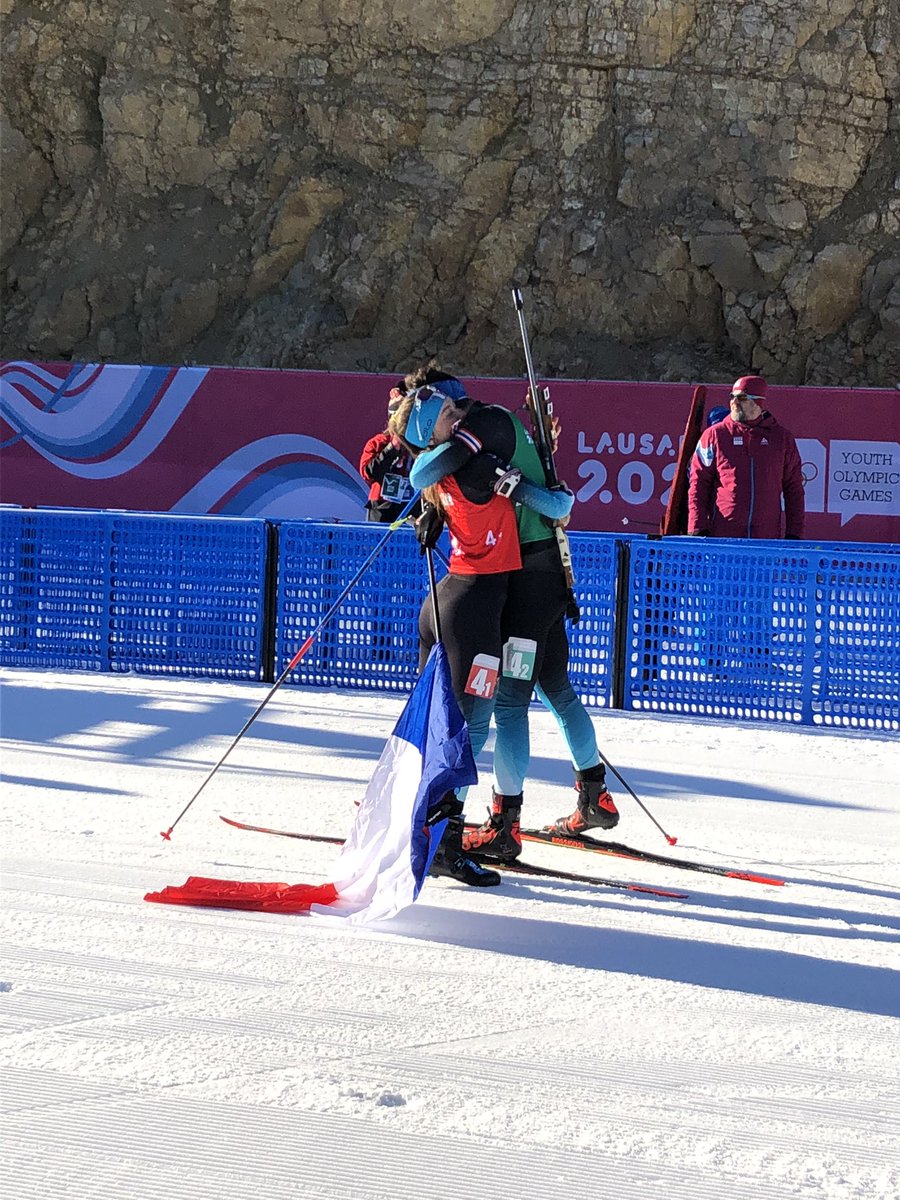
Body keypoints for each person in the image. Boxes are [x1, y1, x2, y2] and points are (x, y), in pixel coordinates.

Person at [392, 366, 619, 869]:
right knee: (550, 691)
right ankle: (589, 794)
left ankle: (499, 821)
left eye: (452, 405)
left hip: (519, 580)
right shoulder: (494, 428)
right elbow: (552, 499)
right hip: (537, 576)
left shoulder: (482, 430)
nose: (458, 410)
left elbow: (432, 470)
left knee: (506, 706)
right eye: (448, 410)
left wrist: (431, 501)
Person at [688, 376, 805, 539]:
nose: (734, 402)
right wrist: (697, 527)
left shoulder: (781, 438)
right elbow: (698, 482)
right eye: (732, 396)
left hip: (765, 538)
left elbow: (794, 488)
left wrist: (794, 533)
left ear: (759, 402)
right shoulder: (714, 435)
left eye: (742, 397)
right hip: (724, 536)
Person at [358, 383, 417, 523]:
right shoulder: (378, 443)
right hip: (382, 505)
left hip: (411, 505)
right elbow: (368, 473)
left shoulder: (418, 445)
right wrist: (393, 447)